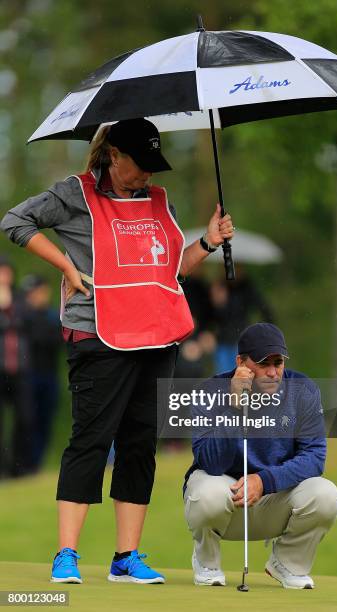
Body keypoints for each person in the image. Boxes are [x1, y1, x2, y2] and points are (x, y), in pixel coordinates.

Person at [1, 118, 234, 584]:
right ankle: (66, 555)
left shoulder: (158, 201)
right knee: (90, 441)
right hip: (99, 338)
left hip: (156, 337)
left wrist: (208, 242)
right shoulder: (74, 194)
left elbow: (170, 274)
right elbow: (14, 221)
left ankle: (126, 558)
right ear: (113, 155)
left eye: (154, 165)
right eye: (140, 164)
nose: (149, 174)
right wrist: (66, 265)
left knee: (139, 446)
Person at [183, 323, 337, 589]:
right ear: (240, 363)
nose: (272, 372)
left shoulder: (303, 390)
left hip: (275, 499)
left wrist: (264, 480)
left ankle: (288, 563)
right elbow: (210, 462)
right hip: (226, 499)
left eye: (277, 363)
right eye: (262, 363)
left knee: (326, 495)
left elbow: (315, 457)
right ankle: (206, 561)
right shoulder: (210, 390)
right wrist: (234, 406)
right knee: (206, 491)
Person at [21, 274, 62, 472]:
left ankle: (36, 463)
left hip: (48, 375)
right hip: (27, 377)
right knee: (28, 421)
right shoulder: (21, 316)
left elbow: (57, 342)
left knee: (45, 420)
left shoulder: (53, 316)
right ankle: (26, 463)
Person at [0, 257, 34, 479]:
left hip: (19, 370)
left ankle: (19, 468)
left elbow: (29, 321)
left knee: (25, 418)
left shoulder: (20, 298)